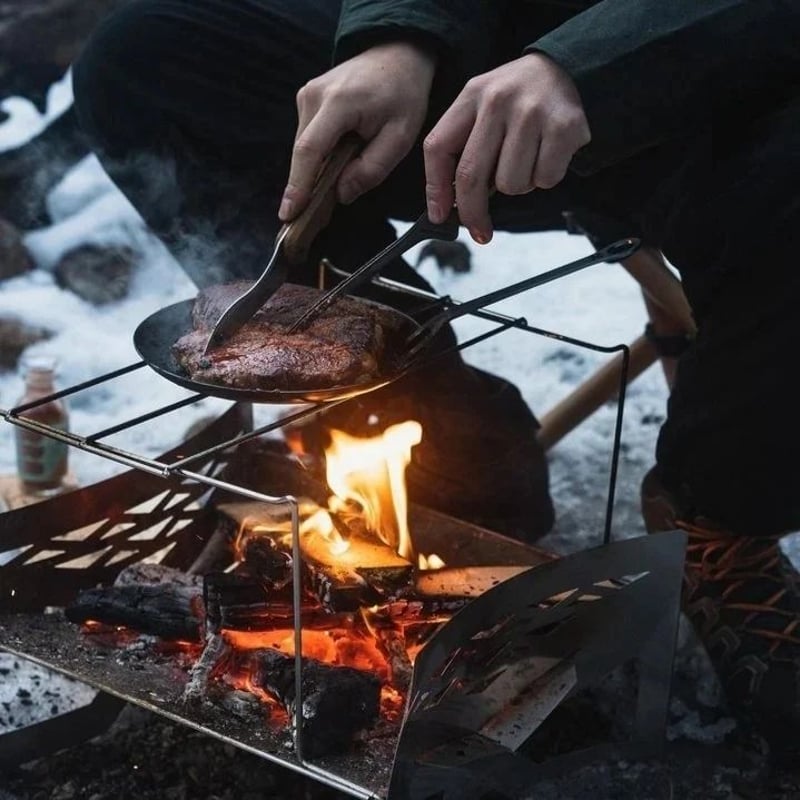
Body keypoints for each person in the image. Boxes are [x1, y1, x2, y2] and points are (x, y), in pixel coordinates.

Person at [71, 0, 800, 756]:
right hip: (488, 63)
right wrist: (400, 35)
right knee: (143, 59)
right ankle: (426, 428)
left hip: (731, 98)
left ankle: (720, 516)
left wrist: (586, 65)